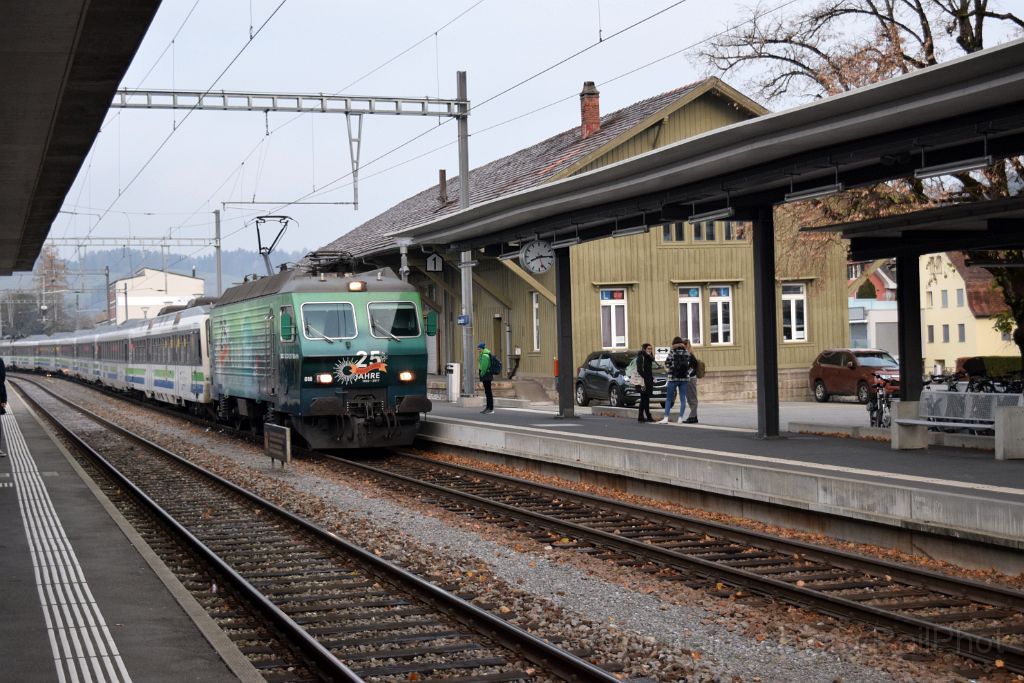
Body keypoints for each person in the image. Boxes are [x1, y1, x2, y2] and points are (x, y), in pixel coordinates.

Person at [658, 336, 694, 424]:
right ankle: (680, 418)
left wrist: (671, 368)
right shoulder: (687, 352)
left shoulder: (672, 352)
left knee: (669, 399)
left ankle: (666, 418)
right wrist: (687, 373)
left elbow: (667, 363)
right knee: (682, 399)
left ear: (673, 343)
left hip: (673, 378)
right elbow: (692, 365)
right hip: (684, 379)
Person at [635, 343, 656, 423]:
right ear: (644, 349)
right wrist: (646, 377)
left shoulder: (649, 358)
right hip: (643, 382)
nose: (650, 350)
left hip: (648, 381)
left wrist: (651, 377)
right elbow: (639, 370)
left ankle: (642, 416)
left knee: (645, 399)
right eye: (648, 349)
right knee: (644, 399)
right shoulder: (641, 357)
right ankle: (646, 416)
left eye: (651, 349)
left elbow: (648, 370)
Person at [682, 339, 699, 424]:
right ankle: (694, 416)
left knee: (692, 398)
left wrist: (687, 374)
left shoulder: (689, 355)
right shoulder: (689, 354)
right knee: (690, 398)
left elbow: (693, 367)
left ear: (684, 345)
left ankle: (692, 416)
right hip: (690, 378)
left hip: (690, 379)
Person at [477, 341, 495, 414]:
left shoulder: (485, 355)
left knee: (488, 392)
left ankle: (490, 408)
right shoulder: (484, 354)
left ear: (482, 348)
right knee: (487, 392)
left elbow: (484, 367)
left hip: (486, 375)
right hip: (487, 375)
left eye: (479, 348)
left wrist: (481, 374)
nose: (478, 350)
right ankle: (488, 407)